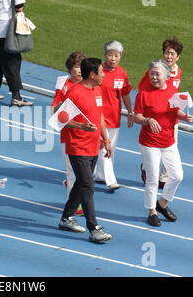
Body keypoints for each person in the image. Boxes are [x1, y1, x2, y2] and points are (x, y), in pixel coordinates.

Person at [57, 57, 113, 243]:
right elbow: (60, 119)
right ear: (92, 74)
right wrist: (82, 127)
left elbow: (100, 116)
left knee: (81, 185)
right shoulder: (75, 93)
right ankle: (94, 228)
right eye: (101, 72)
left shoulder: (97, 90)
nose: (104, 75)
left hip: (93, 147)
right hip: (77, 147)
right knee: (88, 186)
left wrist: (106, 139)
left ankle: (65, 218)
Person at [134, 60, 193, 227]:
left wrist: (185, 117)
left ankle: (162, 203)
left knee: (177, 176)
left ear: (166, 76)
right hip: (149, 142)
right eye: (151, 74)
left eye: (157, 74)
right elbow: (136, 116)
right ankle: (151, 211)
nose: (153, 77)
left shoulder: (173, 91)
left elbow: (176, 111)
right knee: (152, 178)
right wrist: (148, 120)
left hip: (168, 142)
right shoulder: (143, 94)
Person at [138, 38, 184, 188]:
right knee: (152, 150)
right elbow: (143, 89)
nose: (168, 57)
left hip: (171, 118)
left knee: (171, 148)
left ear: (178, 56)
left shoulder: (178, 72)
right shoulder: (155, 70)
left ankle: (164, 178)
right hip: (155, 115)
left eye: (172, 53)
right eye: (166, 53)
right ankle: (146, 167)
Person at [93, 41, 133, 192]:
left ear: (120, 56)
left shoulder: (121, 73)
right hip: (99, 117)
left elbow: (125, 93)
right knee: (105, 148)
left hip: (114, 117)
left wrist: (130, 112)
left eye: (116, 55)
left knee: (111, 148)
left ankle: (100, 175)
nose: (113, 59)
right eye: (110, 55)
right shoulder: (98, 71)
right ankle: (111, 180)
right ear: (105, 55)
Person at [51, 51, 86, 216]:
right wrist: (62, 109)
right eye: (76, 66)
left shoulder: (89, 84)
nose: (79, 70)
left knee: (86, 171)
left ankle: (72, 186)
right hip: (69, 133)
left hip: (87, 134)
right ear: (70, 68)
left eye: (81, 66)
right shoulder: (64, 85)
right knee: (73, 170)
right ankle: (74, 205)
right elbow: (55, 107)